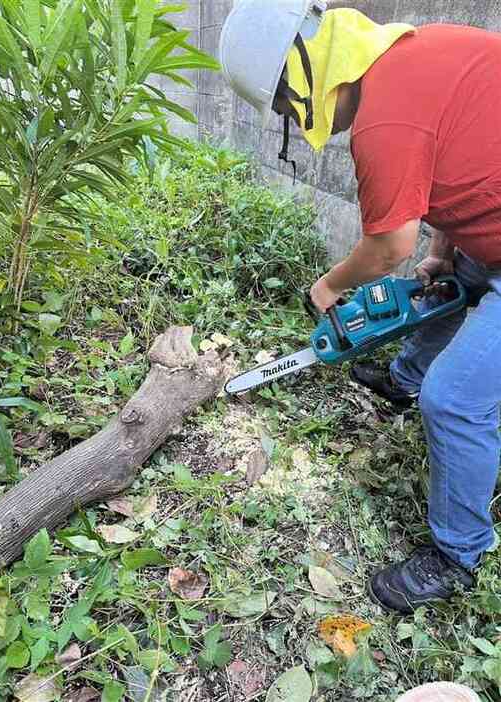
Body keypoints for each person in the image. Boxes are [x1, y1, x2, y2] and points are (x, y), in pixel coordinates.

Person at [219, 0, 501, 614]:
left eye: (285, 108)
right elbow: (464, 166)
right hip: (490, 233)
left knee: (455, 400)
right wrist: (443, 251)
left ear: (303, 79)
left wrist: (327, 288)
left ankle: (458, 553)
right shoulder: (420, 51)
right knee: (440, 295)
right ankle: (402, 379)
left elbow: (386, 248)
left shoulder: (384, 122)